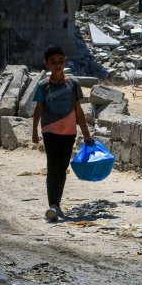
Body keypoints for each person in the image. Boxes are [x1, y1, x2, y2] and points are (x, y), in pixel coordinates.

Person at [32, 45, 93, 222]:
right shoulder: (42, 86)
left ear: (64, 61)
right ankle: (53, 205)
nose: (58, 65)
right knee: (53, 167)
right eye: (53, 62)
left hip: (69, 132)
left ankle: (57, 204)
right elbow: (38, 109)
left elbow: (78, 111)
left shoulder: (73, 83)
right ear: (46, 64)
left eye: (61, 61)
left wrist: (86, 134)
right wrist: (34, 131)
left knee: (62, 168)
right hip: (50, 131)